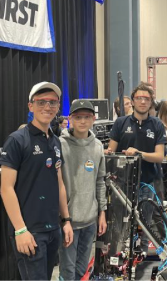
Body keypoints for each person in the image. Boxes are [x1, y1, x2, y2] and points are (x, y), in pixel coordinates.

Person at [0, 82, 74, 280]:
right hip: (30, 231)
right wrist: (20, 230)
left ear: (58, 107)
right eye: (41, 102)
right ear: (30, 106)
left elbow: (59, 184)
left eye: (52, 102)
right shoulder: (16, 141)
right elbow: (6, 189)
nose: (47, 107)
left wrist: (66, 220)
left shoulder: (55, 141)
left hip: (52, 229)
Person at [106, 82, 166, 255]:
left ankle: (141, 256)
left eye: (146, 98)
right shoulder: (120, 123)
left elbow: (159, 156)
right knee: (121, 224)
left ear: (151, 102)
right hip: (122, 184)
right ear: (132, 101)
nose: (142, 101)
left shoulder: (156, 125)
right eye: (139, 98)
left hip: (147, 182)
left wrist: (139, 153)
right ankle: (120, 257)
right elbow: (112, 152)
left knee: (145, 224)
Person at [58, 100, 108, 281]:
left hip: (90, 221)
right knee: (67, 272)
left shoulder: (97, 146)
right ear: (70, 118)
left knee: (81, 271)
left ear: (93, 119)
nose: (82, 121)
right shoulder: (60, 145)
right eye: (78, 117)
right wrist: (64, 219)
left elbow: (100, 181)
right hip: (69, 221)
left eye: (87, 117)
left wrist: (102, 213)